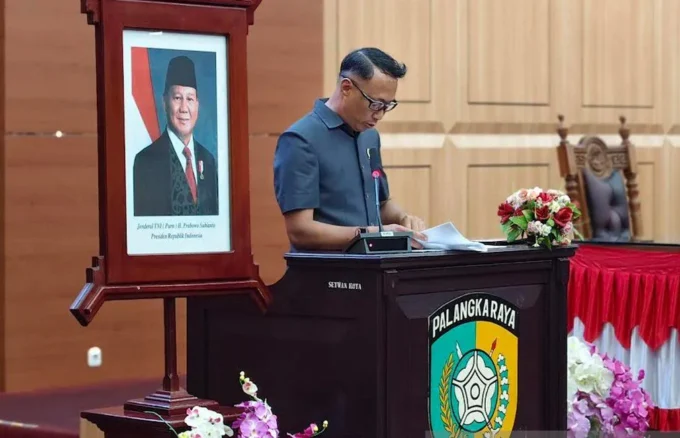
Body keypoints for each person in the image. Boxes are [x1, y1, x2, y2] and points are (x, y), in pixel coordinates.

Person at [273, 47, 427, 251]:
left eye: (387, 106)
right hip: (327, 268)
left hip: (372, 263)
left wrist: (403, 218)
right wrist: (373, 234)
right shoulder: (300, 140)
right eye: (375, 104)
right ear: (347, 88)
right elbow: (300, 231)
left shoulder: (370, 136)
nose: (380, 115)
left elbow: (380, 203)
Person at [133, 55, 218, 216]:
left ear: (197, 105)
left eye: (190, 99)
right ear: (164, 102)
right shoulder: (146, 162)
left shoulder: (208, 161)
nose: (184, 108)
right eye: (177, 98)